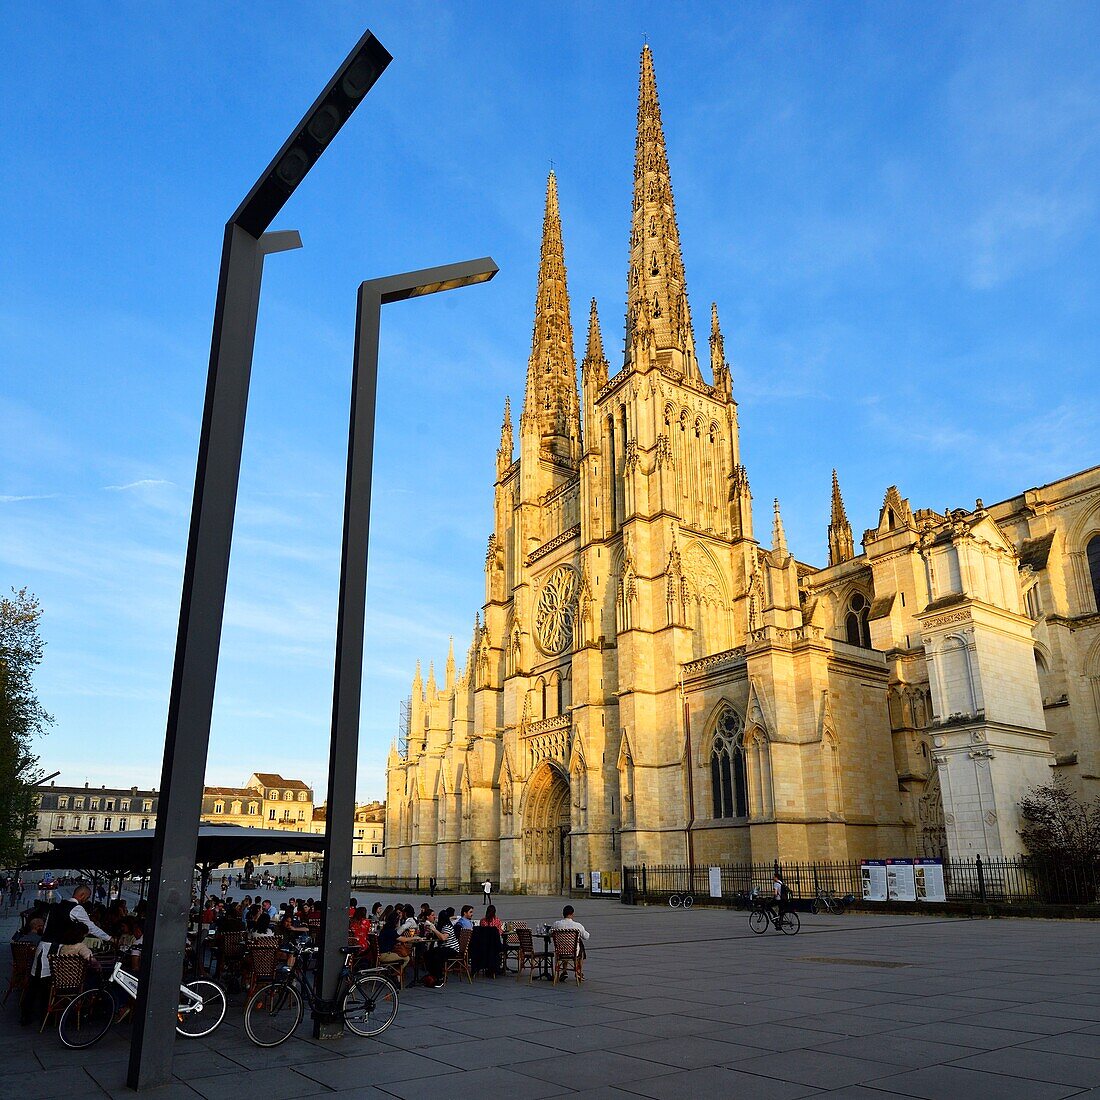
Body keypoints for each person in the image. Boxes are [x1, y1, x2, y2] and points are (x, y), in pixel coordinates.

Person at [551, 905, 590, 981]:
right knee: (580, 945)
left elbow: (550, 932)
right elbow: (586, 936)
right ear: (572, 914)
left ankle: (564, 970)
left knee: (565, 944)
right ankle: (578, 972)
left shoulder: (557, 924)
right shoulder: (577, 925)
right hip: (573, 951)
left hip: (561, 951)